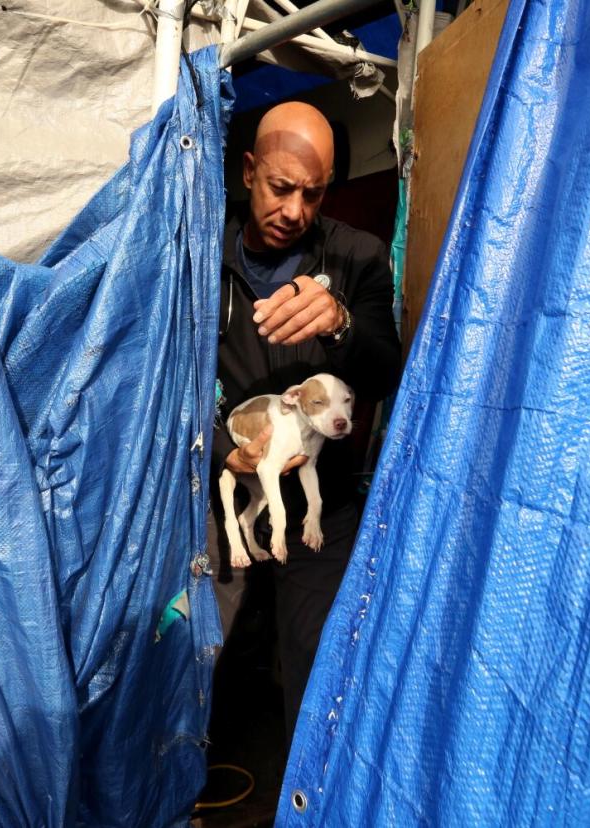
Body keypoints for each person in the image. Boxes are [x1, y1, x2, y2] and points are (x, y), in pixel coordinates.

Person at [209, 101, 402, 744]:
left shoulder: (360, 257)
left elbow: (384, 375)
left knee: (322, 662)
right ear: (247, 172)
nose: (294, 210)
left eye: (312, 194)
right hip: (229, 493)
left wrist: (339, 322)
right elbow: (164, 378)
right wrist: (221, 452)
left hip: (324, 501)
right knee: (194, 653)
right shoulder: (198, 256)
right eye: (280, 187)